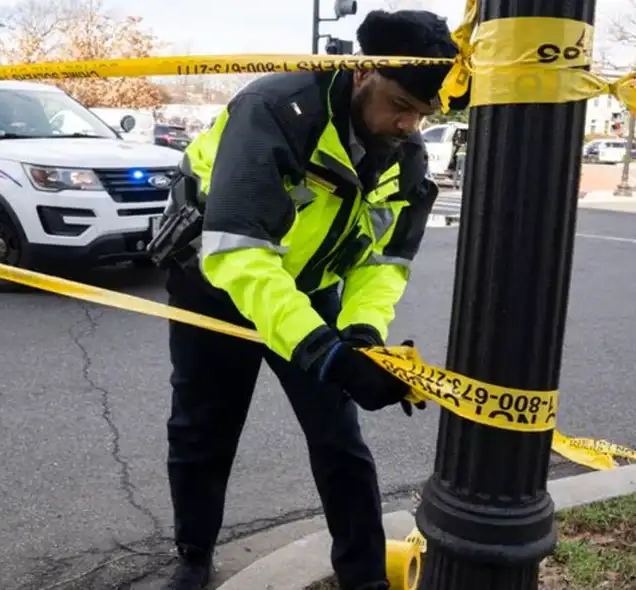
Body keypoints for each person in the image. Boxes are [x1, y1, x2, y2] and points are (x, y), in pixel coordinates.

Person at [149, 9, 469, 590]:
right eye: (401, 104)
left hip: (307, 292)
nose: (409, 124)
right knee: (202, 429)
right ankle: (193, 556)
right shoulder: (275, 110)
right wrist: (326, 353)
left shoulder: (408, 157)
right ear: (363, 72)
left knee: (338, 438)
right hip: (215, 283)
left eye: (424, 114)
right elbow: (239, 255)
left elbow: (383, 263)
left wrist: (362, 338)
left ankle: (365, 578)